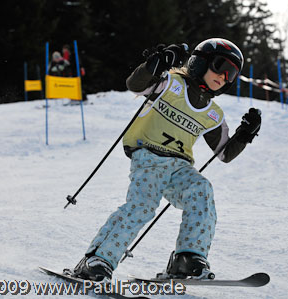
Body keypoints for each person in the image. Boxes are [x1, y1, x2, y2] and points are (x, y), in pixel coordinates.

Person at [71, 38, 262, 282]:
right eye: (220, 66)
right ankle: (97, 260)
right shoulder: (170, 84)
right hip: (149, 157)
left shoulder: (213, 114)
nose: (224, 76)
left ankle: (187, 258)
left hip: (180, 166)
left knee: (200, 189)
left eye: (231, 74)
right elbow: (135, 84)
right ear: (200, 62)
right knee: (142, 206)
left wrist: (245, 135)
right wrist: (155, 65)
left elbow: (225, 154)